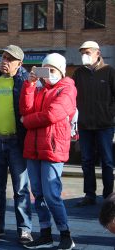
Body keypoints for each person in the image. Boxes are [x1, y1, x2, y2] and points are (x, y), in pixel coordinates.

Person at [20, 53, 76, 249]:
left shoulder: (67, 88)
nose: (48, 74)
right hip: (34, 148)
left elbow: (52, 115)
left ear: (60, 71)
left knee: (52, 194)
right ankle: (45, 232)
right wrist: (29, 85)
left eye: (52, 70)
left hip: (53, 148)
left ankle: (65, 233)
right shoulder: (40, 89)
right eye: (46, 70)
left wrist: (27, 122)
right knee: (38, 193)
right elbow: (26, 109)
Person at [0, 45, 32, 244]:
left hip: (16, 142)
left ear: (19, 64)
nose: (4, 62)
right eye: (3, 57)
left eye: (10, 59)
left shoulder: (26, 81)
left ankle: (24, 229)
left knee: (21, 189)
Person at [72, 41, 115, 207]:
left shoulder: (109, 71)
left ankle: (108, 196)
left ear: (98, 53)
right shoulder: (79, 73)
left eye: (87, 52)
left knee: (107, 161)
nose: (84, 55)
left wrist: (111, 114)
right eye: (82, 52)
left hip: (105, 124)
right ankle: (89, 195)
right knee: (87, 160)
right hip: (85, 125)